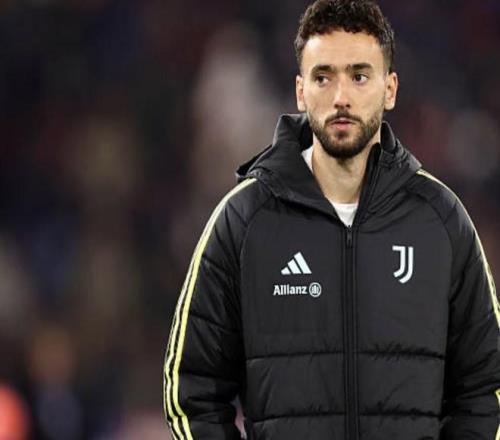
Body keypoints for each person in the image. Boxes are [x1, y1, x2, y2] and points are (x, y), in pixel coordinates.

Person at [163, 0, 500, 438]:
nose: (341, 97)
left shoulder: (441, 220)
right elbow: (191, 389)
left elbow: (485, 387)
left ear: (390, 89)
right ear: (301, 91)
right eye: (323, 77)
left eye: (359, 76)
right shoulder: (244, 221)